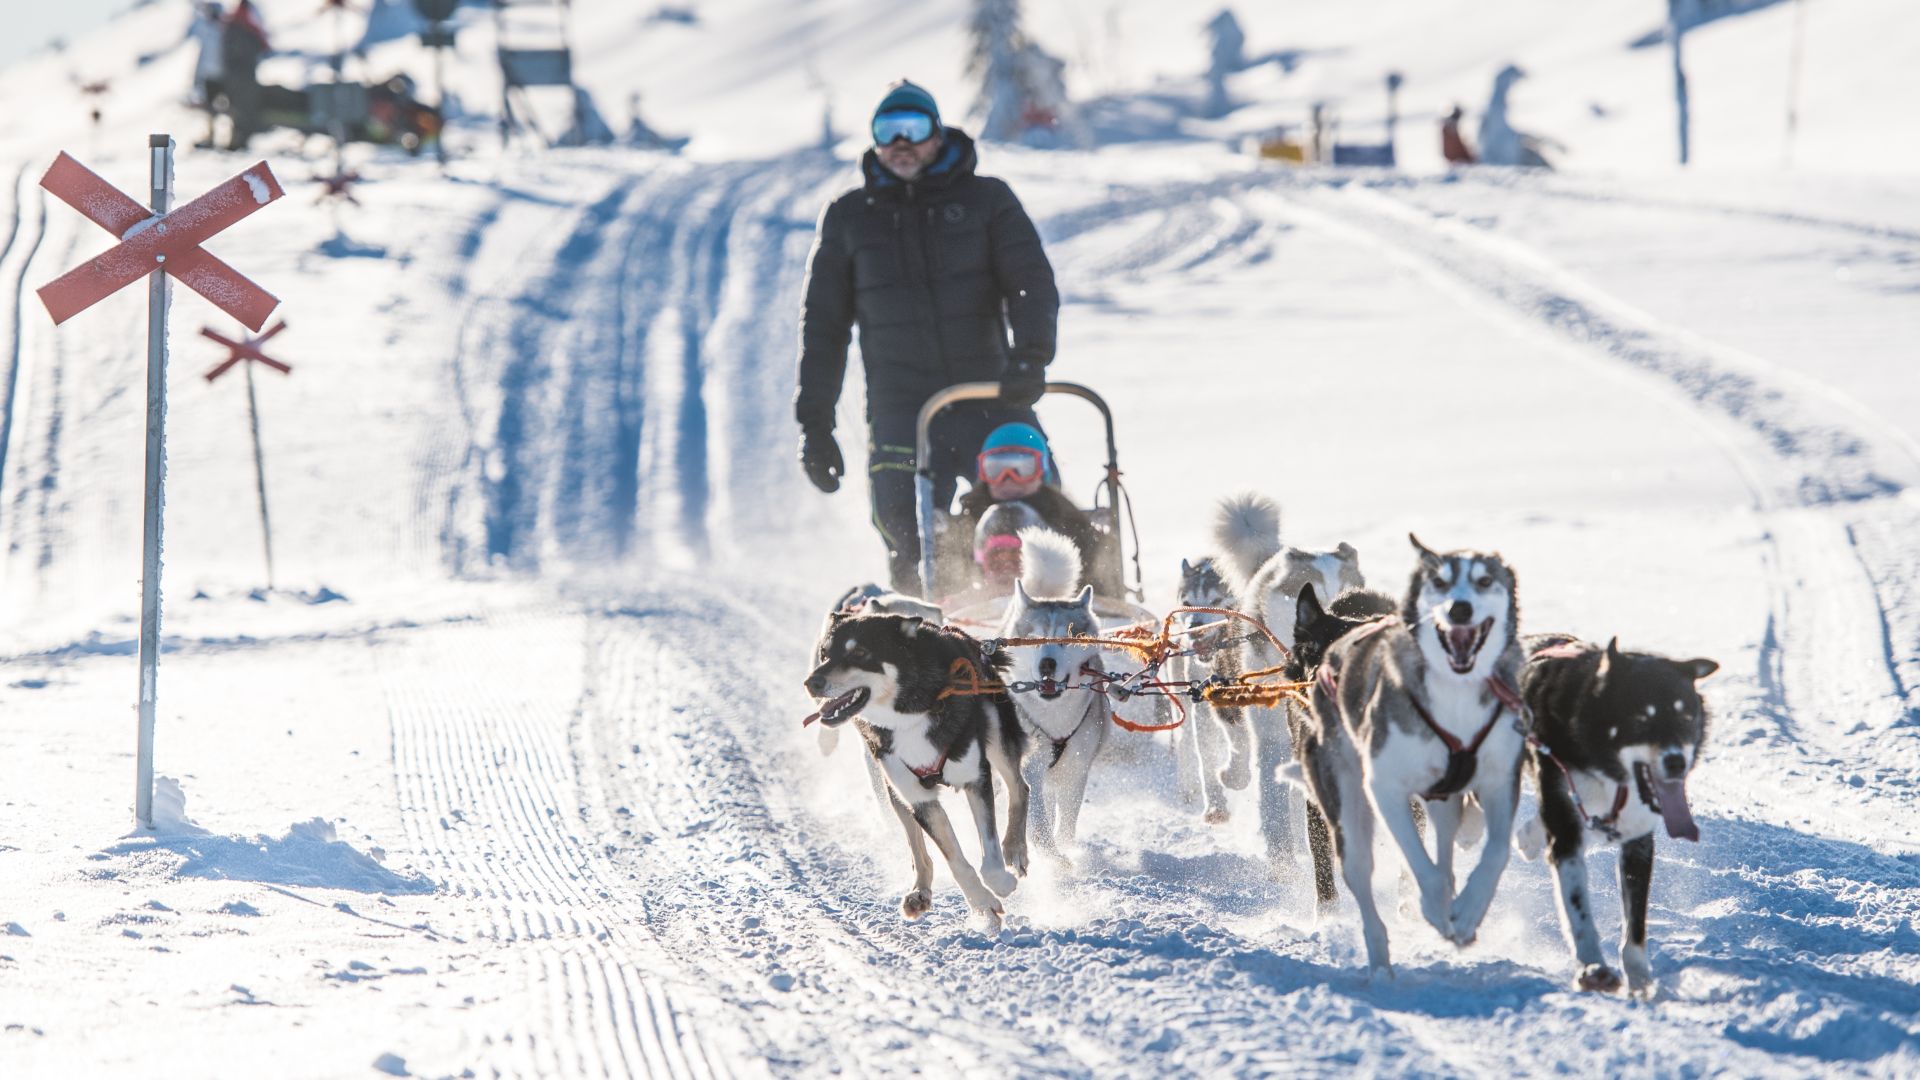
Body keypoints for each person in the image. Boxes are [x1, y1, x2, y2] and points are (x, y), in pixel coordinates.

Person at [794, 79, 1060, 595]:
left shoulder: (987, 200)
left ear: (937, 133)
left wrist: (1030, 357)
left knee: (1037, 516)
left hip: (994, 395)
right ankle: (928, 646)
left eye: (913, 128)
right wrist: (815, 426)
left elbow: (1031, 282)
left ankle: (1070, 628)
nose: (901, 142)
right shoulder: (850, 218)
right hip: (904, 412)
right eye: (886, 130)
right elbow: (823, 329)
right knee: (910, 537)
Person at [954, 422, 1113, 594]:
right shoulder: (968, 521)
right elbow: (950, 576)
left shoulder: (1067, 521)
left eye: (1023, 468)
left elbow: (1094, 584)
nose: (1008, 479)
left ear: (1041, 470)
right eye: (996, 469)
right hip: (983, 613)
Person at [219, 0, 270, 151]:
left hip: (239, 75)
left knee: (241, 108)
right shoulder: (242, 25)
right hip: (242, 75)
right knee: (242, 108)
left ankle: (240, 139)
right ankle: (239, 139)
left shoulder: (235, 24)